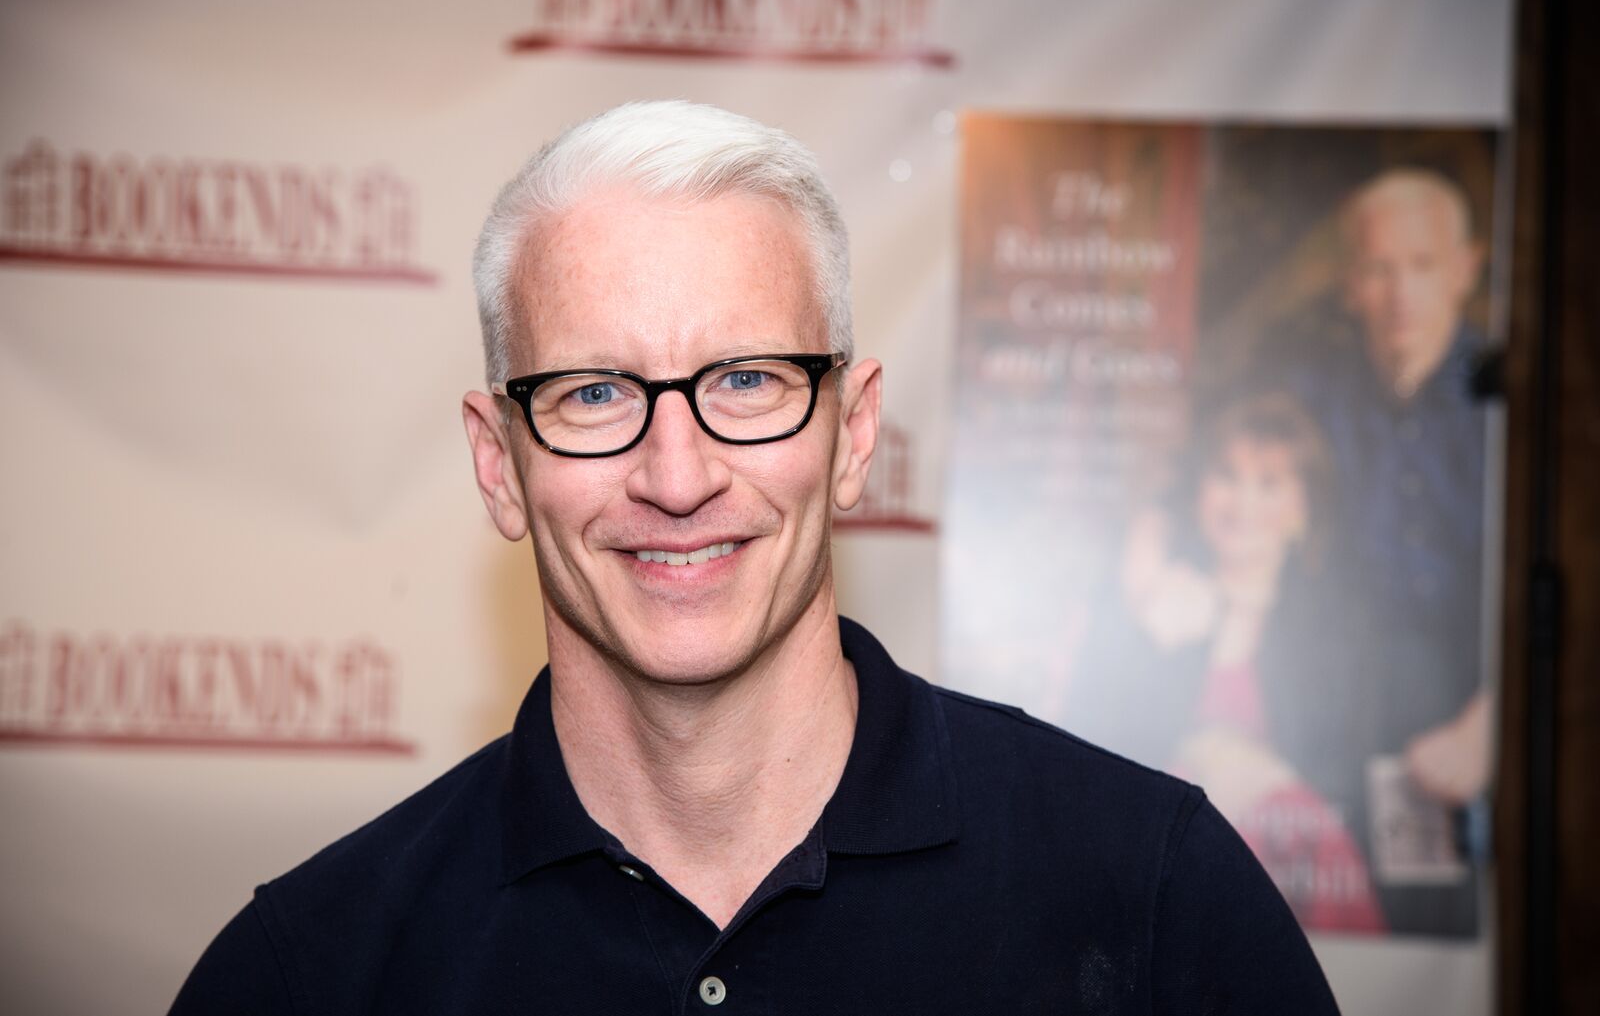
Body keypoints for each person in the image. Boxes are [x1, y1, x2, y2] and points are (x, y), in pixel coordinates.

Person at [169, 101, 1338, 1014]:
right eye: (591, 391)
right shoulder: (307, 973)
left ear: (853, 435)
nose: (676, 477)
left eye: (745, 381)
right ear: (496, 460)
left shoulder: (1154, 898)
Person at [1257, 167, 1492, 935]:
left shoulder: (1518, 397)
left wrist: (1494, 721)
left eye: (1422, 267)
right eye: (1379, 269)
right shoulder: (1311, 393)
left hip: (1470, 719)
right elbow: (1220, 464)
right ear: (1351, 283)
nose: (1401, 294)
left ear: (1466, 268)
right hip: (1337, 712)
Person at [1071, 394, 1385, 933]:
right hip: (1167, 831)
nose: (1244, 501)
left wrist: (1264, 788)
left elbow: (1351, 764)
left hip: (1290, 845)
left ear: (1304, 508)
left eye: (1270, 483)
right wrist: (1148, 631)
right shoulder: (1159, 603)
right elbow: (1091, 747)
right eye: (1227, 476)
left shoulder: (1336, 627)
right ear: (1198, 493)